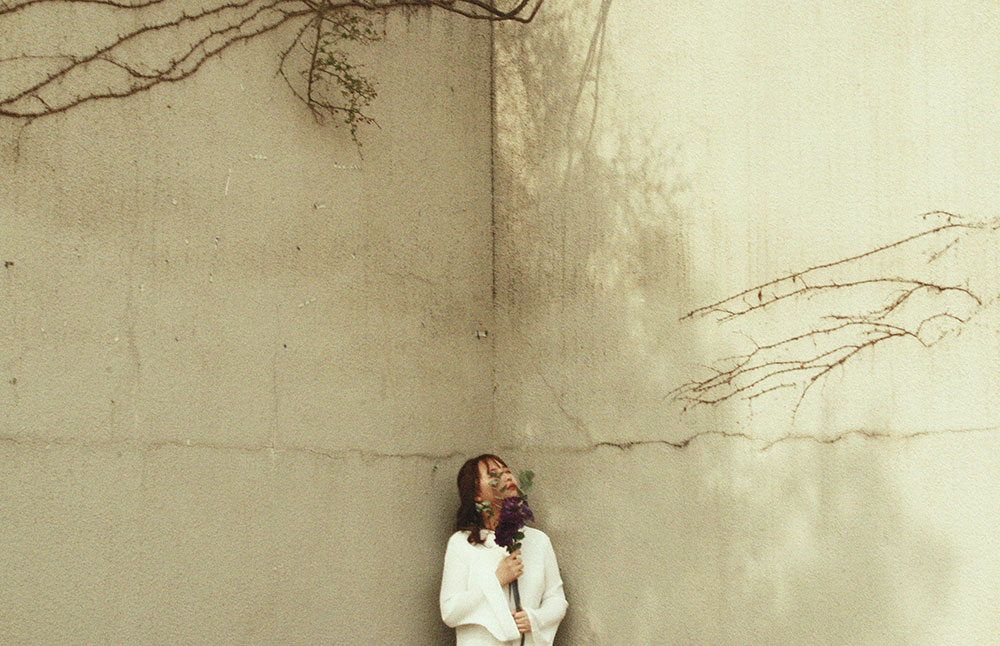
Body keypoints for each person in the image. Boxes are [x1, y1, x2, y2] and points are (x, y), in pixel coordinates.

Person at [440, 454, 568, 646]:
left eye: (507, 471)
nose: (507, 477)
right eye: (494, 474)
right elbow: (450, 611)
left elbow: (556, 599)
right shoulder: (462, 544)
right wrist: (496, 580)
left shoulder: (538, 541)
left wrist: (535, 619)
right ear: (477, 494)